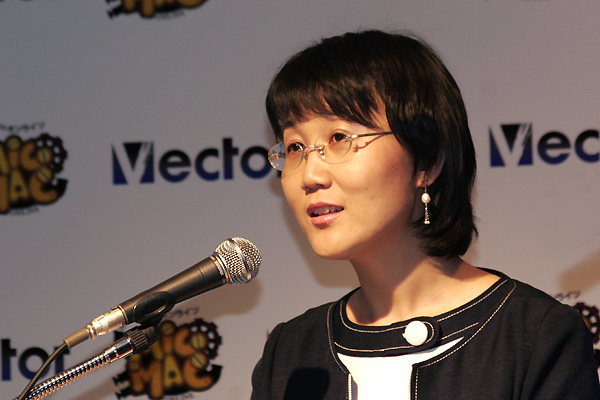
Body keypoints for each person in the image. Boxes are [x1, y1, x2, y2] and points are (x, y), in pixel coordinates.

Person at [251, 30, 600, 399]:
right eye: (295, 147)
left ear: (427, 161)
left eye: (339, 138)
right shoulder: (290, 353)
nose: (310, 175)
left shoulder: (534, 336)